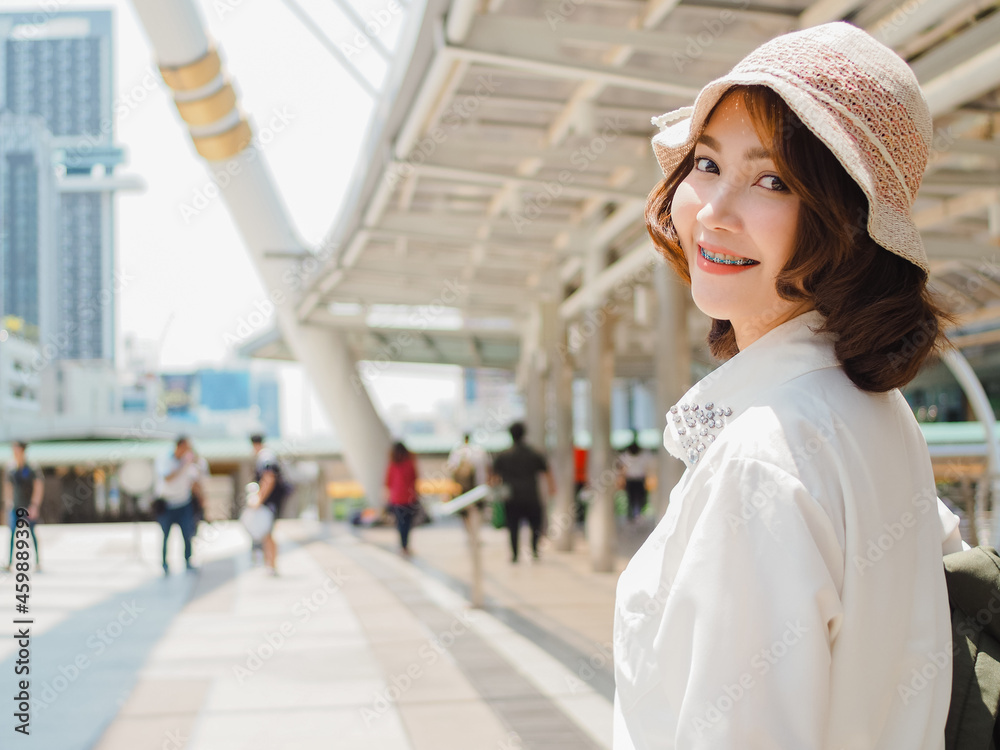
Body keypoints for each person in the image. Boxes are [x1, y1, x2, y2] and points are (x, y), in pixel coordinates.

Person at [614, 23, 965, 749]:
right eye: (707, 163)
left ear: (848, 225)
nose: (713, 211)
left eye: (772, 180)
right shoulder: (874, 412)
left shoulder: (761, 458)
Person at [491, 422, 554, 563]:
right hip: (531, 495)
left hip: (511, 497)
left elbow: (494, 477)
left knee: (513, 527)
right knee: (535, 524)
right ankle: (534, 550)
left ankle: (515, 555)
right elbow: (547, 472)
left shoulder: (503, 455)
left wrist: (496, 492)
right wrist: (551, 489)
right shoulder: (533, 453)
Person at [155, 436, 200, 575]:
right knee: (165, 536)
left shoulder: (189, 461)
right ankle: (164, 564)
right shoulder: (165, 459)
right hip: (167, 503)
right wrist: (183, 464)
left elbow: (195, 476)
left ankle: (188, 561)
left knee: (187, 534)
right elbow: (167, 477)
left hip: (184, 503)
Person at [250, 434, 291, 575]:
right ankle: (269, 563)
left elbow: (269, 478)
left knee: (267, 532)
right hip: (271, 500)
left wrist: (259, 499)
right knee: (266, 532)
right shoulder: (267, 455)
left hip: (271, 501)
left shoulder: (265, 457)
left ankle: (271, 564)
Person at [4, 441, 44, 572]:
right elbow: (8, 487)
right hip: (15, 507)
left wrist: (34, 505)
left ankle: (37, 562)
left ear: (22, 451)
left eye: (17, 450)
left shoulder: (32, 468)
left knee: (31, 533)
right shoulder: (11, 469)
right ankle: (9, 562)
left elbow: (38, 486)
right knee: (12, 534)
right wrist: (8, 503)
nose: (15, 453)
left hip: (28, 507)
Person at [384, 441, 419, 556]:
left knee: (400, 523)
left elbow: (388, 483)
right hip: (409, 499)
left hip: (396, 500)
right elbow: (415, 479)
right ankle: (405, 546)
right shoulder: (409, 463)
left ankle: (402, 546)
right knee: (407, 524)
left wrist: (387, 498)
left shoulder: (392, 464)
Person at [617, 439, 651, 522]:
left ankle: (637, 515)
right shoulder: (627, 456)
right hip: (633, 480)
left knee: (639, 498)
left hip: (637, 480)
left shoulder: (627, 456)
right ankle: (633, 516)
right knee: (632, 499)